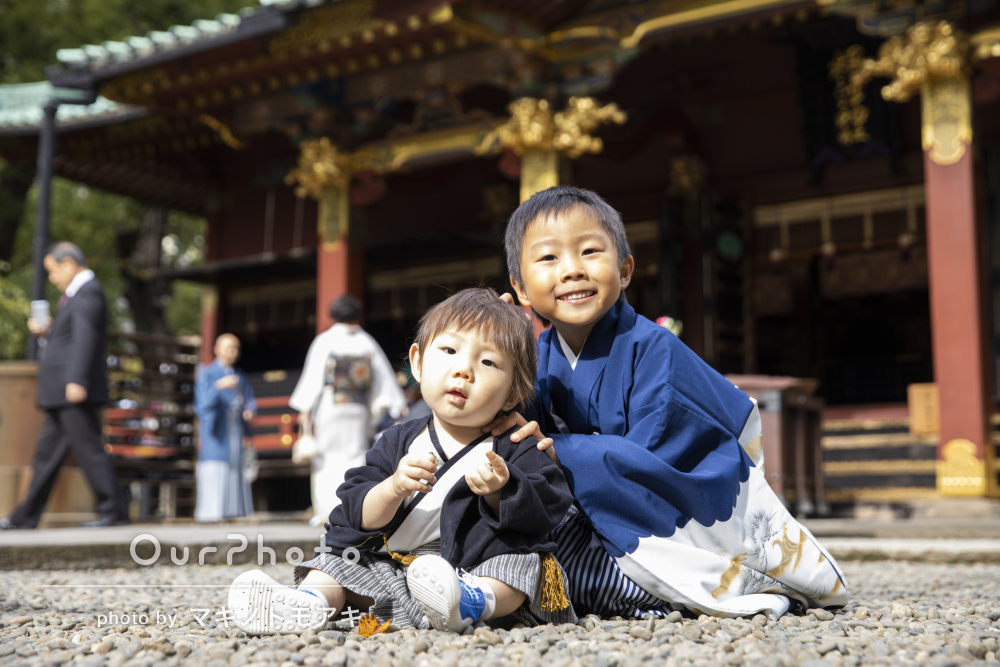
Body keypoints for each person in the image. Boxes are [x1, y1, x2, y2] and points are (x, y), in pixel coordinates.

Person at [488, 186, 848, 619]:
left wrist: (556, 451)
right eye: (548, 258)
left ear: (624, 270)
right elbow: (514, 431)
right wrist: (498, 354)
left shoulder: (654, 348)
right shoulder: (540, 356)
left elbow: (656, 460)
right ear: (520, 287)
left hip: (670, 527)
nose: (572, 270)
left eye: (589, 251)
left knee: (571, 575)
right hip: (595, 517)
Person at [228, 288, 575, 634]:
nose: (463, 370)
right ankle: (307, 605)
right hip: (397, 572)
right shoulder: (397, 439)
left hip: (474, 572)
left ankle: (469, 602)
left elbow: (549, 509)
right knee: (335, 562)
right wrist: (393, 487)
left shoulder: (515, 445)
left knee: (524, 562)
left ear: (513, 391)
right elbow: (357, 514)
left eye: (487, 362)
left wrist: (503, 490)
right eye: (450, 350)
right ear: (418, 363)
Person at [0, 242, 129, 530]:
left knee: (90, 451)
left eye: (53, 270)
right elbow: (72, 338)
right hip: (63, 392)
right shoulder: (77, 295)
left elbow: (86, 340)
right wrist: (47, 332)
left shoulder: (88, 292)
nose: (52, 278)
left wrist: (77, 380)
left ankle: (114, 511)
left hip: (72, 390)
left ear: (68, 263)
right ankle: (25, 517)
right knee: (46, 457)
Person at [288, 295, 407, 525]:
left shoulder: (325, 340)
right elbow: (383, 378)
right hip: (357, 409)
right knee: (355, 457)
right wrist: (394, 403)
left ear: (333, 314)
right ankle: (350, 509)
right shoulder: (367, 341)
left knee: (325, 459)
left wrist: (305, 409)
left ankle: (325, 511)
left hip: (329, 408)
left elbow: (313, 379)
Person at [193, 334, 257, 522]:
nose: (233, 352)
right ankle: (211, 513)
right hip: (217, 431)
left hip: (235, 429)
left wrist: (250, 410)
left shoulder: (239, 375)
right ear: (217, 349)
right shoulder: (207, 373)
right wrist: (218, 386)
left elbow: (250, 399)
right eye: (229, 348)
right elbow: (201, 404)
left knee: (236, 469)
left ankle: (235, 512)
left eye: (236, 348)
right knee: (216, 468)